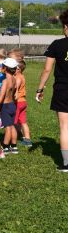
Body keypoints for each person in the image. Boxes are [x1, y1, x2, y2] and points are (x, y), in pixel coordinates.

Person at [36, 9, 68, 172]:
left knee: (65, 126)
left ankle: (66, 164)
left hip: (63, 89)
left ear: (66, 27)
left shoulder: (57, 45)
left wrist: (40, 89)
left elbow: (47, 70)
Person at [0, 58, 18, 155]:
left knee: (7, 127)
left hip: (6, 106)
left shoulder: (5, 81)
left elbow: (1, 96)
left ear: (5, 68)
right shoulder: (14, 79)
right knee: (12, 126)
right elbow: (14, 94)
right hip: (13, 105)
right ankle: (14, 146)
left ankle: (5, 146)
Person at [15, 60, 32, 147]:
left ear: (18, 69)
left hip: (18, 102)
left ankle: (12, 141)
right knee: (23, 122)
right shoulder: (22, 76)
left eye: (15, 67)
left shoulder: (17, 77)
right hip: (23, 102)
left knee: (13, 122)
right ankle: (28, 140)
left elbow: (16, 89)